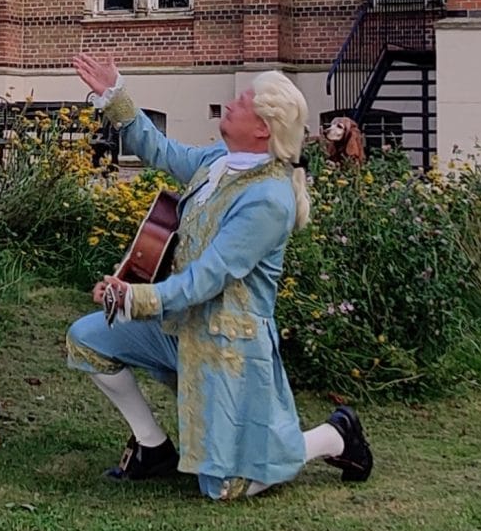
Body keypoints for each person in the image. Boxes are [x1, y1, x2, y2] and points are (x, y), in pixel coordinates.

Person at [62, 54, 374, 499]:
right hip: (179, 326)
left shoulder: (269, 198)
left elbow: (208, 278)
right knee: (87, 339)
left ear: (263, 128)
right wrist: (116, 95)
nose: (230, 103)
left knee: (226, 487)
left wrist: (135, 298)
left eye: (242, 101)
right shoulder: (219, 161)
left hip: (227, 346)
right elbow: (161, 151)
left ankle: (334, 436)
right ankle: (153, 447)